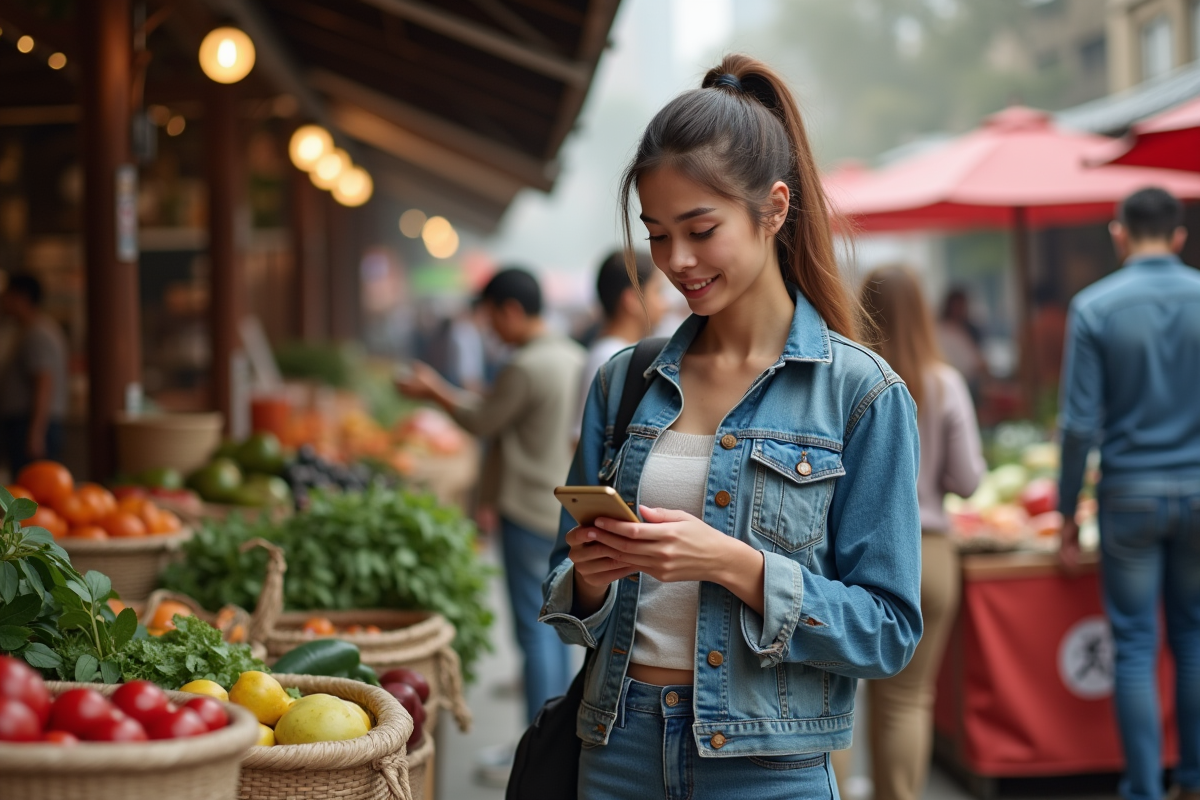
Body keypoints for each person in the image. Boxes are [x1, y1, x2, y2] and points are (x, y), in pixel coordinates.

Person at [539, 55, 923, 800]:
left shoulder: (861, 394)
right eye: (656, 235)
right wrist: (588, 578)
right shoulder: (625, 382)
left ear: (774, 209)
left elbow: (887, 631)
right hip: (616, 745)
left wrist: (730, 563)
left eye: (700, 229)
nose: (675, 261)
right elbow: (562, 592)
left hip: (769, 768)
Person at [1058, 187, 1200, 800]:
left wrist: (1067, 514)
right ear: (1179, 236)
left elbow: (1078, 426)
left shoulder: (1094, 308)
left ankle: (1144, 789)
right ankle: (1193, 780)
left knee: (1136, 645)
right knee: (1194, 638)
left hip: (1129, 498)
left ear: (1119, 234)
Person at [396, 267, 585, 725]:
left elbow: (483, 421)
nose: (490, 329)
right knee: (557, 626)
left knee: (535, 629)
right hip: (561, 506)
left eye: (492, 317)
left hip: (525, 506)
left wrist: (434, 392)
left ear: (512, 310)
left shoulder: (523, 365)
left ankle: (538, 739)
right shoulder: (572, 356)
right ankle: (556, 736)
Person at [851, 264, 985, 800]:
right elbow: (970, 480)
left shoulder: (852, 379)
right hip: (932, 556)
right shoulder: (943, 381)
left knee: (842, 692)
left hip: (863, 557)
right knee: (909, 699)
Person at [572, 250, 667, 438]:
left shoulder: (619, 351)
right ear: (631, 299)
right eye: (658, 292)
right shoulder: (611, 355)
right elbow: (582, 437)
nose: (664, 304)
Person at [0, 273, 68, 473]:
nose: (3, 301)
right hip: (27, 423)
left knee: (34, 489)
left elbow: (44, 383)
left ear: (21, 297)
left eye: (7, 295)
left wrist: (35, 433)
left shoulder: (37, 334)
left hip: (31, 423)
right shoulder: (28, 330)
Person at [936, 287, 988, 401]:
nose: (960, 309)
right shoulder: (945, 330)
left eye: (962, 305)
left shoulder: (971, 330)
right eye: (957, 305)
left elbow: (980, 363)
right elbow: (976, 363)